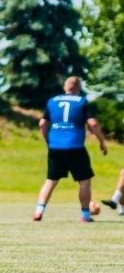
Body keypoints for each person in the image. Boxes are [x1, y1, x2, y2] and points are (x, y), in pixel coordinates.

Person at [32, 76, 107, 223]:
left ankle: (39, 211)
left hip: (55, 147)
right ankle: (85, 215)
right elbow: (93, 123)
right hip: (75, 147)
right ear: (78, 89)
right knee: (84, 180)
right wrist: (102, 141)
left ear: (65, 88)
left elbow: (42, 124)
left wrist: (49, 141)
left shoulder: (52, 101)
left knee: (51, 180)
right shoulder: (82, 101)